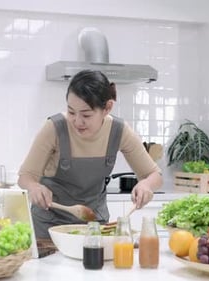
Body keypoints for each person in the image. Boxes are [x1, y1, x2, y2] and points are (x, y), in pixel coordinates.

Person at [18, 69, 163, 238]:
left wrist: (146, 185)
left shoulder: (119, 131)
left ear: (107, 108)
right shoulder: (54, 128)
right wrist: (34, 187)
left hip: (95, 226)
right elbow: (25, 176)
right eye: (71, 112)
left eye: (86, 114)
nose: (77, 121)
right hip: (50, 226)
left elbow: (155, 175)